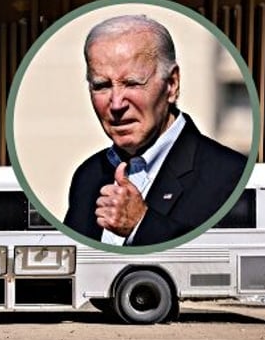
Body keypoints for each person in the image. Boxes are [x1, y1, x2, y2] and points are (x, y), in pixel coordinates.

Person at [63, 14, 248, 247]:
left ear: (172, 85)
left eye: (132, 83)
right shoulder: (87, 175)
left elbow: (222, 267)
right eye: (101, 86)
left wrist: (141, 224)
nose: (117, 103)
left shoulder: (230, 175)